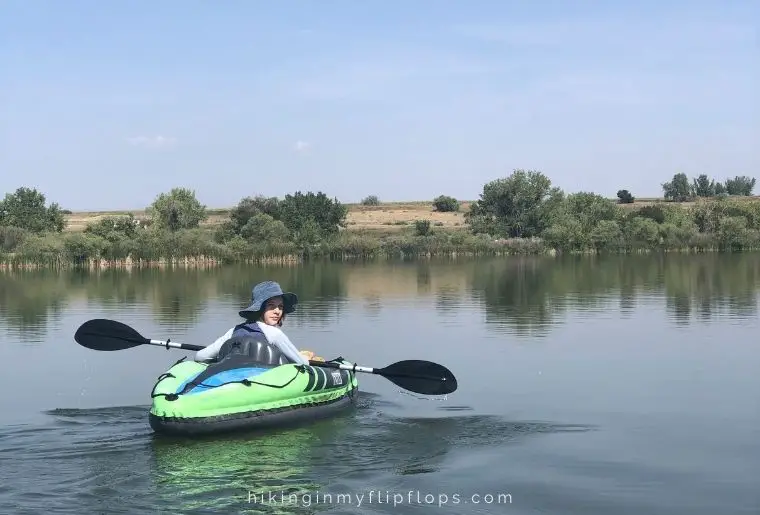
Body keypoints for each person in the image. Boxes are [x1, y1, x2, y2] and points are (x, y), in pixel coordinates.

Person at [194, 280, 322, 364]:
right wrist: (306, 357)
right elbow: (302, 364)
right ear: (260, 308)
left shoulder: (234, 331)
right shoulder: (273, 334)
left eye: (280, 307)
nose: (277, 311)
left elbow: (200, 356)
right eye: (271, 306)